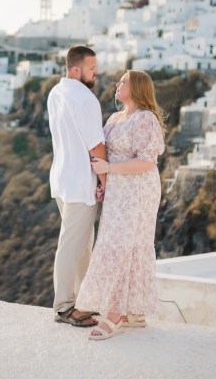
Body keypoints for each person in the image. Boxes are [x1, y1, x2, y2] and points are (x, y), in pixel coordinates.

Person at [76, 69, 164, 340]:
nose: (118, 84)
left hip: (138, 191)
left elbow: (147, 162)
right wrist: (104, 181)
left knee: (125, 244)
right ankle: (133, 311)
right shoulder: (115, 118)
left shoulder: (145, 119)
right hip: (119, 190)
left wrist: (109, 169)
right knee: (120, 243)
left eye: (123, 81)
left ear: (136, 87)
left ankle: (115, 315)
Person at [47, 45, 108, 326]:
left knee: (83, 246)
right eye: (91, 68)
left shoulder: (56, 93)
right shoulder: (85, 98)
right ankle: (64, 306)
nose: (96, 72)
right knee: (71, 247)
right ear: (76, 69)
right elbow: (96, 145)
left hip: (61, 178)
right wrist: (105, 181)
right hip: (80, 182)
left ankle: (85, 300)